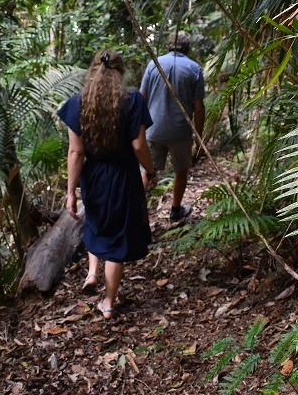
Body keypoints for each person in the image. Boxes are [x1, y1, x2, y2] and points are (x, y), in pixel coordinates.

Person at [57, 50, 158, 320]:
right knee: (118, 238)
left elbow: (76, 153)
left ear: (92, 71)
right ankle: (109, 302)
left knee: (97, 224)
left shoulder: (77, 104)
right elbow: (138, 145)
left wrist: (70, 192)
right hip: (124, 175)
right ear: (120, 73)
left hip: (95, 176)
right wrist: (150, 170)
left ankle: (92, 273)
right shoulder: (132, 100)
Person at [140, 30, 205, 222]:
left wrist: (139, 128)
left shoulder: (154, 64)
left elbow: (141, 98)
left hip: (153, 129)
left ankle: (134, 212)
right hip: (180, 131)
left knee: (145, 169)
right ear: (188, 47)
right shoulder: (194, 69)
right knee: (181, 170)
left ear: (169, 45)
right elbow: (199, 107)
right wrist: (199, 137)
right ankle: (175, 210)